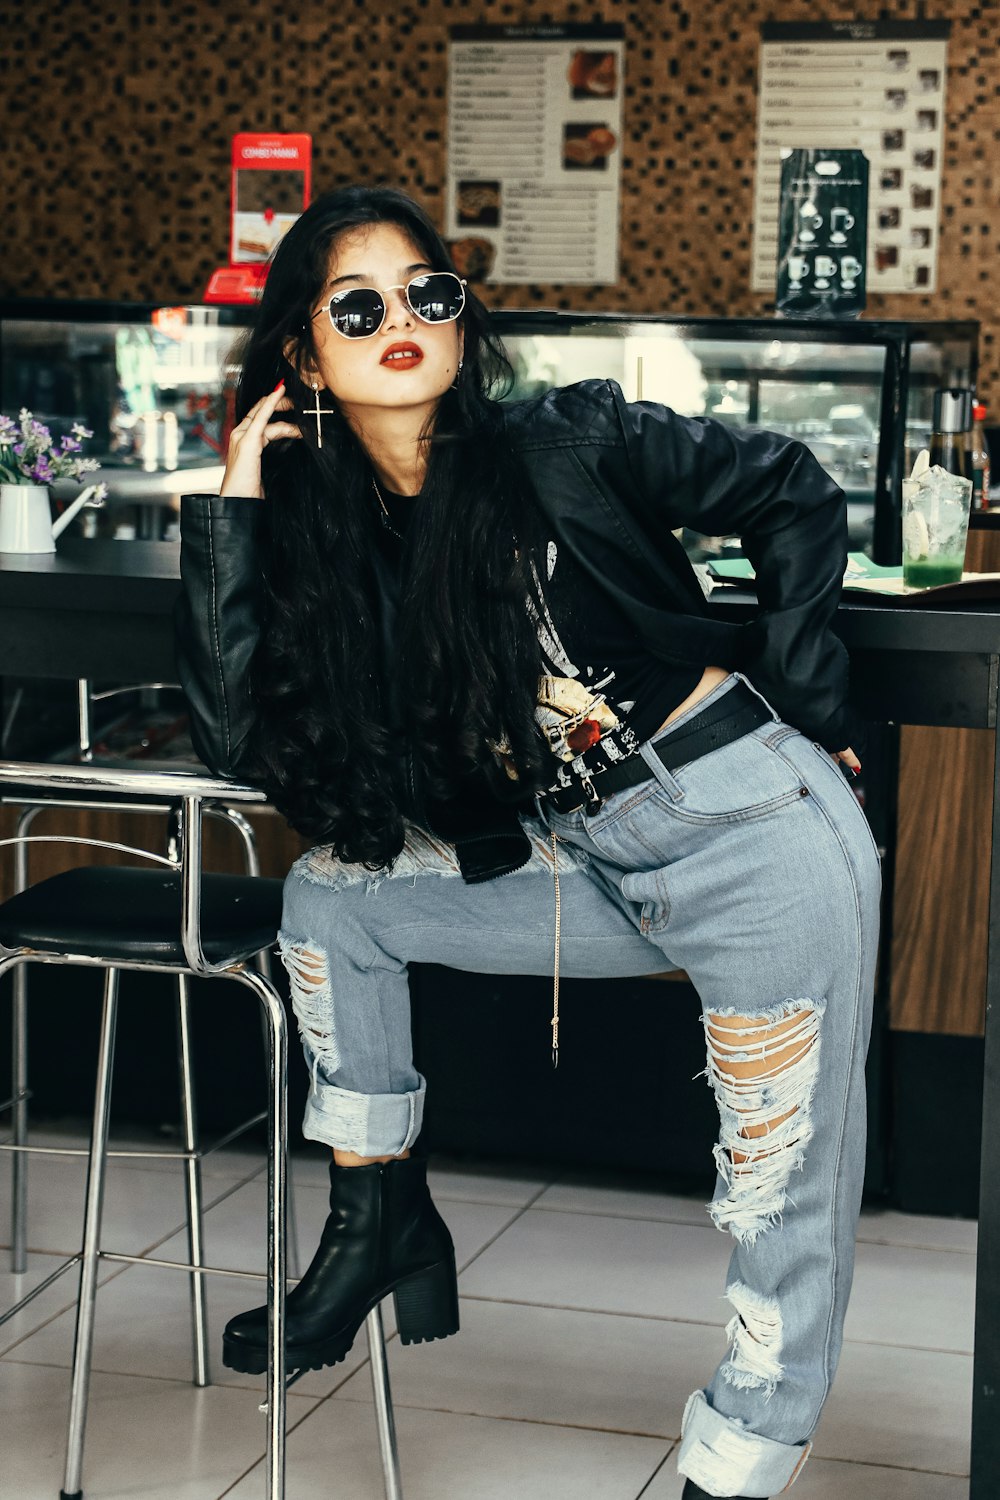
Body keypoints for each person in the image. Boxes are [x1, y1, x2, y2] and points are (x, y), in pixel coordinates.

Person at [175, 184, 879, 1500]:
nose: (403, 319)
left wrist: (819, 702)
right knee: (332, 904)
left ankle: (730, 1474)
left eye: (429, 293)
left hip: (751, 832)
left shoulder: (567, 440)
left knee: (777, 1200)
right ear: (301, 353)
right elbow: (233, 740)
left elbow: (791, 489)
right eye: (358, 303)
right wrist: (233, 499)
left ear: (461, 319)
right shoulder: (340, 542)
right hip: (592, 865)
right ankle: (378, 1211)